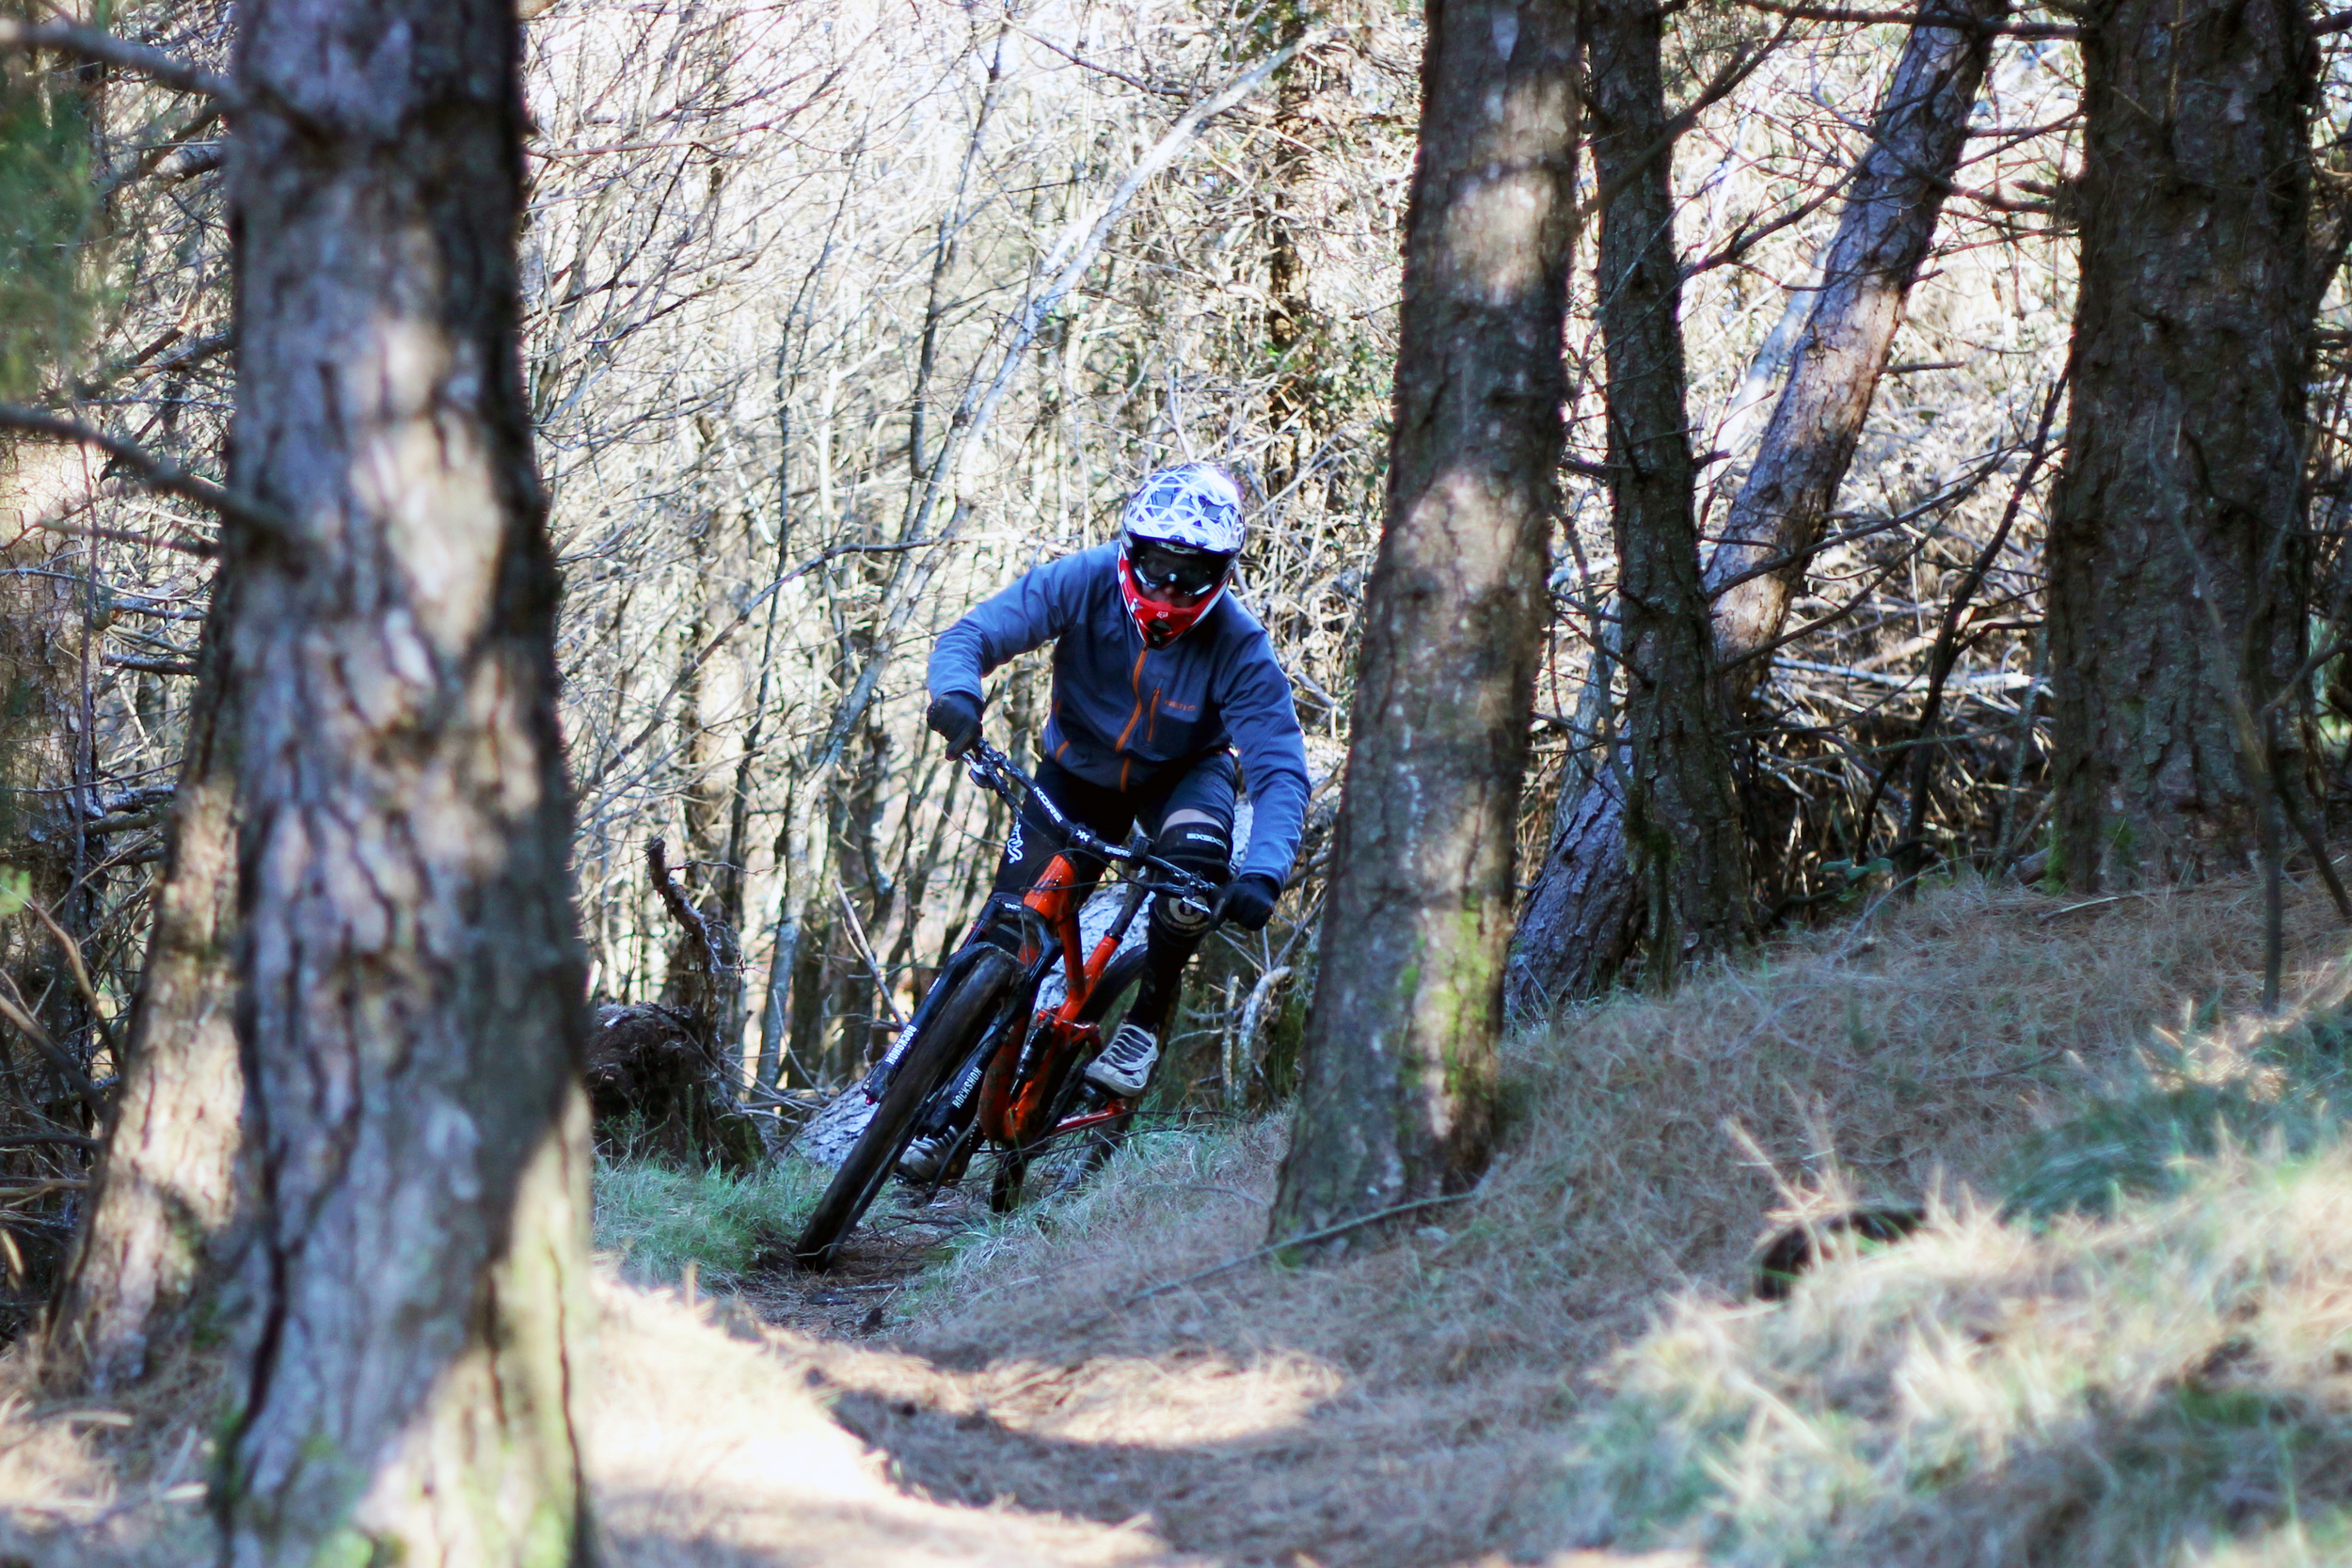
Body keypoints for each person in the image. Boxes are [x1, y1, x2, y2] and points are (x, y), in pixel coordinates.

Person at [915, 462, 1311, 1137]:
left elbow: (1280, 770)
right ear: (1131, 552)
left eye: (1191, 573)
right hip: (1076, 767)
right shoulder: (1087, 578)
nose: (1169, 587)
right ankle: (940, 1090)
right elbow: (973, 634)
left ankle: (1149, 1010)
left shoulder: (1240, 644)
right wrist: (958, 695)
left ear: (1221, 574)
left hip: (1181, 777)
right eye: (1156, 566)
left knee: (1192, 884)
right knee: (1010, 924)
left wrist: (1265, 870)